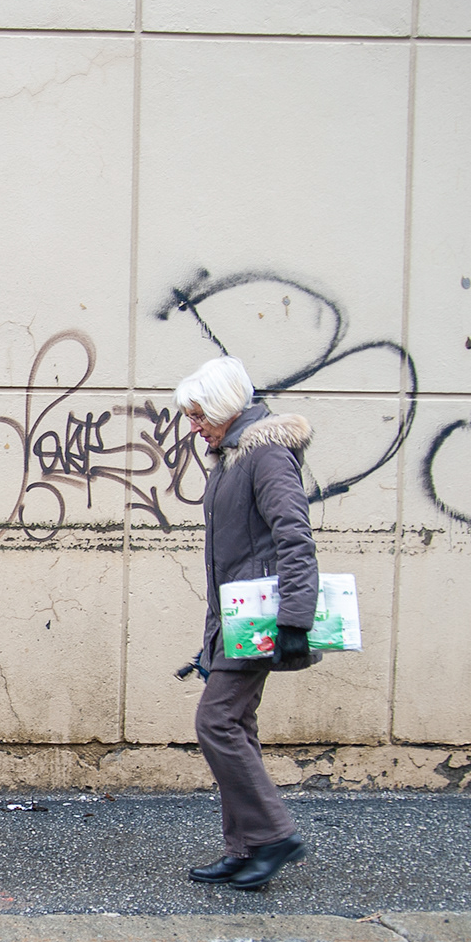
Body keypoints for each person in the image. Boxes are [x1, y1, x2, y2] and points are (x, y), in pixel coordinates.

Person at [176, 354, 318, 892]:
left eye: (198, 415)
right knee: (237, 724)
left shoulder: (266, 455)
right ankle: (245, 849)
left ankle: (274, 837)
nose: (194, 427)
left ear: (223, 407)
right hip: (233, 620)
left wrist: (294, 620)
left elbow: (294, 537)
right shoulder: (233, 457)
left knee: (216, 722)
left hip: (261, 619)